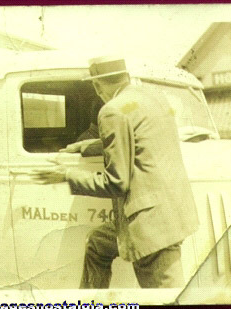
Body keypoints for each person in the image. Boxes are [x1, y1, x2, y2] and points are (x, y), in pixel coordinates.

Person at [31, 56, 199, 288]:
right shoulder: (152, 97)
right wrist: (90, 146)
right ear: (126, 76)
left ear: (97, 86)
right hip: (172, 210)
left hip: (148, 224)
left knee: (164, 298)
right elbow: (142, 139)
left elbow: (116, 183)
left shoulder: (111, 111)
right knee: (97, 244)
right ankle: (90, 302)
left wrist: (66, 175)